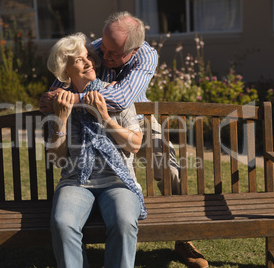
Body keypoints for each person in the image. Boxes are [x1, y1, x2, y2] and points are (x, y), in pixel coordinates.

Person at [40, 11, 208, 268]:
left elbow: (121, 99)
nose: (101, 57)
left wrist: (74, 101)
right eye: (102, 49)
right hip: (91, 123)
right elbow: (64, 71)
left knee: (168, 169)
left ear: (133, 50)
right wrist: (54, 99)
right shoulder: (98, 47)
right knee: (69, 211)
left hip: (129, 113)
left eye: (112, 54)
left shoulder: (146, 56)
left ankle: (182, 239)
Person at [47, 32, 146, 268]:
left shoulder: (115, 95)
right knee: (63, 222)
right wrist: (61, 120)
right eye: (79, 60)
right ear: (65, 71)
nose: (89, 62)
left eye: (88, 56)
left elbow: (135, 144)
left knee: (124, 222)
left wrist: (105, 118)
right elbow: (59, 161)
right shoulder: (61, 103)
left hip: (117, 180)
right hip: (76, 181)